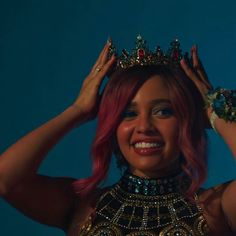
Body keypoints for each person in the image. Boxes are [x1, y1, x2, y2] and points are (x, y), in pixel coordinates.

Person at [0, 35, 236, 236]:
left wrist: (217, 114)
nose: (144, 126)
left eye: (163, 111)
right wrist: (77, 111)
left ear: (188, 120)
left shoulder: (217, 208)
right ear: (112, 125)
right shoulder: (83, 206)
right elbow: (6, 180)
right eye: (128, 113)